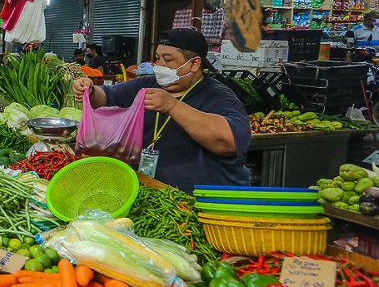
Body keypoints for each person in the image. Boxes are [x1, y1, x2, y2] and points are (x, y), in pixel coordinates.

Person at [72, 28, 251, 194]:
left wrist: (173, 106)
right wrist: (90, 90)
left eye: (168, 59)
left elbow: (228, 142)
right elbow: (107, 97)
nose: (160, 65)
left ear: (194, 64)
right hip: (156, 199)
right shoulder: (148, 84)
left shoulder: (217, 95)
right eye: (158, 58)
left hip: (203, 203)